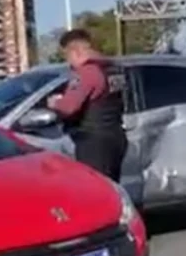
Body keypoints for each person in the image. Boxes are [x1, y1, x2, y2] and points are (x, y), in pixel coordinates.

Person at [46, 29, 128, 181]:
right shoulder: (113, 69)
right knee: (112, 187)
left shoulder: (87, 72)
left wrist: (55, 102)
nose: (69, 63)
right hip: (115, 135)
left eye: (67, 56)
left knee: (95, 188)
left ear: (75, 51)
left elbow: (69, 107)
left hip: (93, 141)